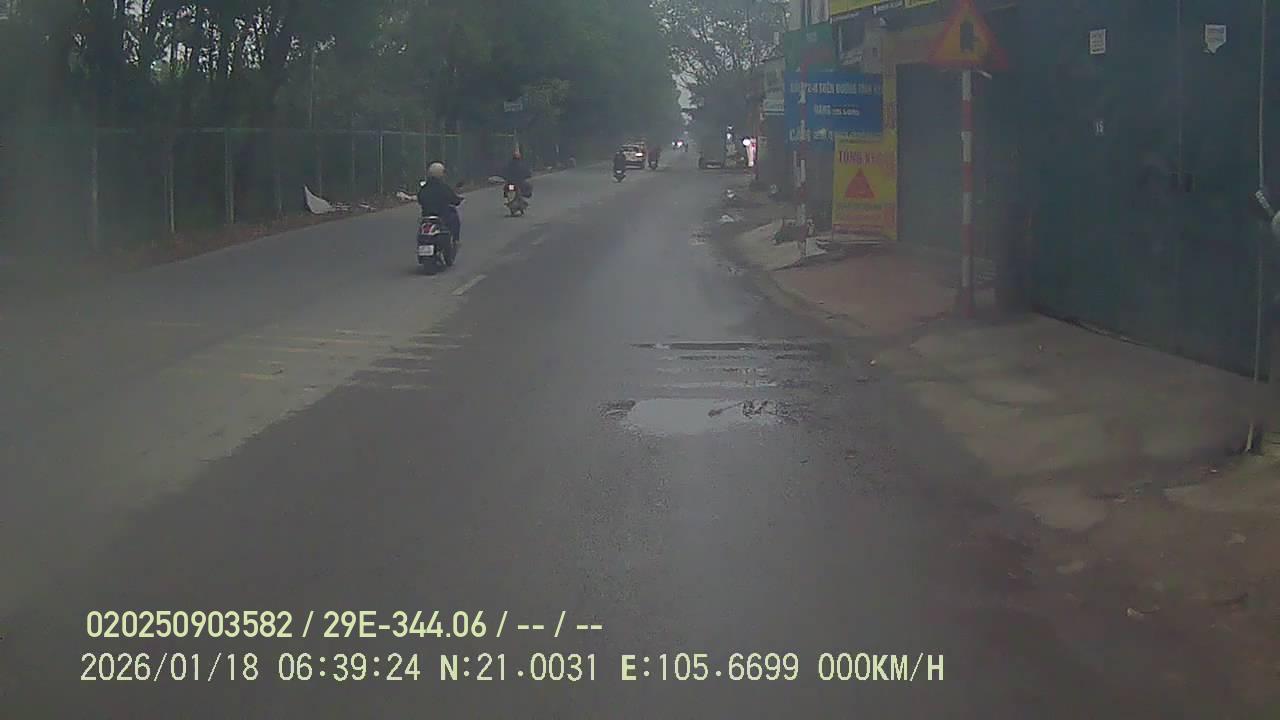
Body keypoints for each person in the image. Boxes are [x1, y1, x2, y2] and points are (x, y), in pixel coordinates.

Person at [417, 162, 463, 243]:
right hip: (442, 216)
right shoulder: (443, 187)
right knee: (454, 217)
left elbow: (420, 199)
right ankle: (455, 240)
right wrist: (458, 200)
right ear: (440, 173)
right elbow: (454, 200)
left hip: (426, 216)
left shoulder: (424, 188)